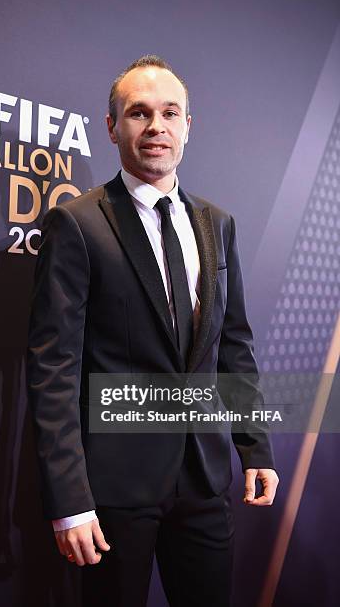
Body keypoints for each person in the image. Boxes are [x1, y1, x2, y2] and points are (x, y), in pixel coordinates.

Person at [27, 54, 279, 607]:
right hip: (114, 488)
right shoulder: (78, 223)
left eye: (170, 113)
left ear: (189, 124)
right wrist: (70, 498)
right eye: (138, 113)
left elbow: (234, 345)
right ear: (113, 126)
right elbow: (54, 369)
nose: (155, 127)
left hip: (205, 480)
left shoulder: (218, 224)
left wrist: (254, 446)